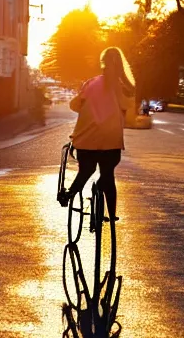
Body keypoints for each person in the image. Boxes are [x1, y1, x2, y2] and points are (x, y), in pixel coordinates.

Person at [57, 47, 136, 221]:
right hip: (111, 141)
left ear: (102, 64)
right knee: (108, 174)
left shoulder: (91, 83)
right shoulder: (123, 88)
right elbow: (128, 111)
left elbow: (75, 105)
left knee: (86, 170)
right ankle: (110, 212)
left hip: (86, 139)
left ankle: (70, 194)